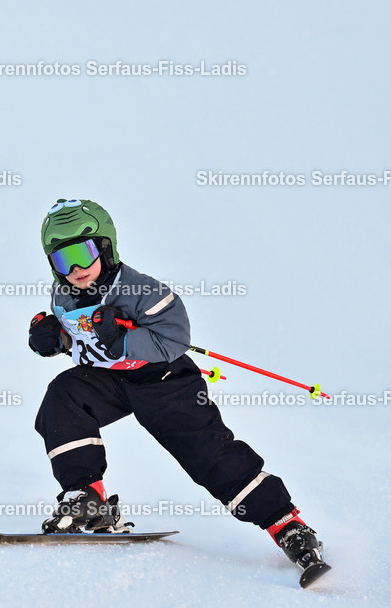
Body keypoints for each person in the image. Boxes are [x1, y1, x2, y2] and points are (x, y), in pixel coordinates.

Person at [28, 198, 326, 571]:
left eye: (83, 254)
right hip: (110, 379)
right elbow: (79, 341)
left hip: (165, 380)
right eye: (61, 260)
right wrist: (52, 340)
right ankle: (86, 498)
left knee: (208, 455)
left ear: (105, 247)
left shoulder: (143, 291)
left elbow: (175, 339)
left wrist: (123, 337)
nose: (74, 269)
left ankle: (288, 525)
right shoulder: (64, 296)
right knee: (64, 396)